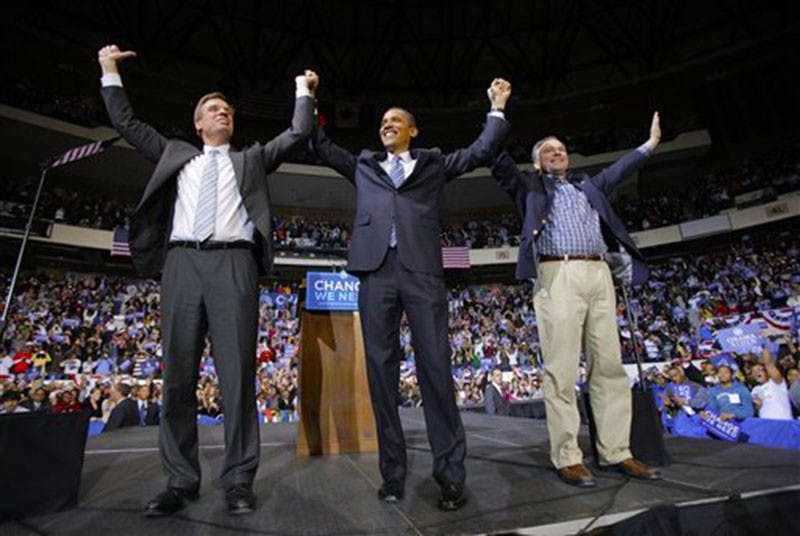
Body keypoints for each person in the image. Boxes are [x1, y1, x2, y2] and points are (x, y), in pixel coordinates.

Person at [97, 44, 317, 517]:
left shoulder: (252, 159)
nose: (224, 113)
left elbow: (299, 131)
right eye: (214, 109)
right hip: (181, 264)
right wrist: (109, 70)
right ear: (198, 123)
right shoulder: (175, 155)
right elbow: (127, 124)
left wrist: (303, 89)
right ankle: (180, 480)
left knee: (238, 377)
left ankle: (238, 480)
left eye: (229, 110)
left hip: (234, 265)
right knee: (177, 377)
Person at [311, 78, 511, 511]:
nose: (387, 125)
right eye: (383, 121)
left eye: (396, 121)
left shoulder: (433, 163)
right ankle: (393, 475)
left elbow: (479, 151)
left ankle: (451, 476)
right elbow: (322, 147)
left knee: (436, 372)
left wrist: (496, 107)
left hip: (421, 272)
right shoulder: (364, 164)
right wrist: (308, 99)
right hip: (375, 273)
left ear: (413, 131)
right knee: (381, 378)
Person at [491, 113, 662, 488]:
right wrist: (497, 112)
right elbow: (496, 159)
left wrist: (648, 146)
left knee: (609, 367)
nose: (558, 153)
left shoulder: (589, 185)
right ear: (537, 161)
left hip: (599, 273)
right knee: (562, 370)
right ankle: (568, 456)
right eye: (548, 150)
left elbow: (619, 169)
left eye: (562, 149)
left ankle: (617, 451)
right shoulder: (529, 188)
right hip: (557, 275)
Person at [750, 347, 792, 420]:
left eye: (760, 370)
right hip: (767, 425)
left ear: (766, 372)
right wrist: (758, 405)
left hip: (784, 423)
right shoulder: (754, 390)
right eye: (754, 371)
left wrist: (764, 347)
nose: (757, 372)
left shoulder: (777, 382)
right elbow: (757, 409)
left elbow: (769, 365)